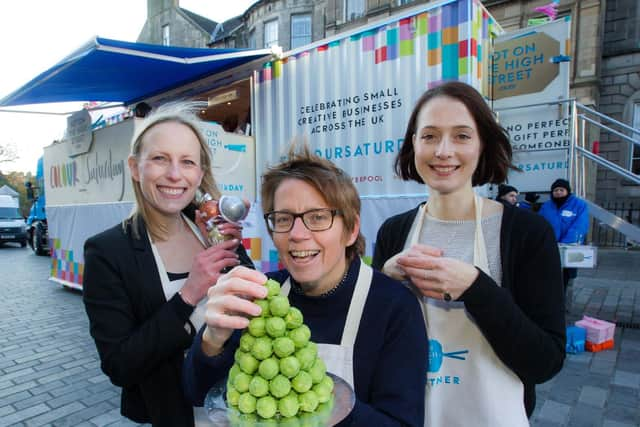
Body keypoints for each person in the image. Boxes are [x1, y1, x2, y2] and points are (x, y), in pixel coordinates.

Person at [183, 145, 428, 426]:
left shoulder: (394, 307)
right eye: (284, 219)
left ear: (351, 229)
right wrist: (212, 339)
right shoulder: (258, 295)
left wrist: (318, 401)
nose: (298, 235)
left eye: (318, 217)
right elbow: (200, 394)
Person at [372, 81, 565, 425]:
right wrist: (381, 286)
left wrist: (476, 288)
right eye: (429, 136)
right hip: (407, 415)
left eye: (461, 135)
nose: (443, 151)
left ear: (482, 145)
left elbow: (545, 361)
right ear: (412, 144)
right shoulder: (393, 232)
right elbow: (376, 345)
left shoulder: (528, 233)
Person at [82, 102, 254, 427]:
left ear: (199, 174)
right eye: (160, 159)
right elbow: (119, 365)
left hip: (245, 404)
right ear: (135, 167)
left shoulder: (209, 228)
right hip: (176, 413)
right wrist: (188, 294)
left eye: (187, 162)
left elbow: (255, 303)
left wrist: (230, 246)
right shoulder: (107, 251)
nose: (175, 174)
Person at [539, 178, 590, 309]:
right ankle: (551, 303)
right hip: (550, 247)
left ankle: (565, 305)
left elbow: (580, 225)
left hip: (570, 248)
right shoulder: (546, 206)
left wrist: (566, 243)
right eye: (556, 190)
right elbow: (540, 224)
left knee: (568, 276)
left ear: (567, 191)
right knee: (550, 275)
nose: (558, 192)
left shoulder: (579, 205)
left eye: (561, 190)